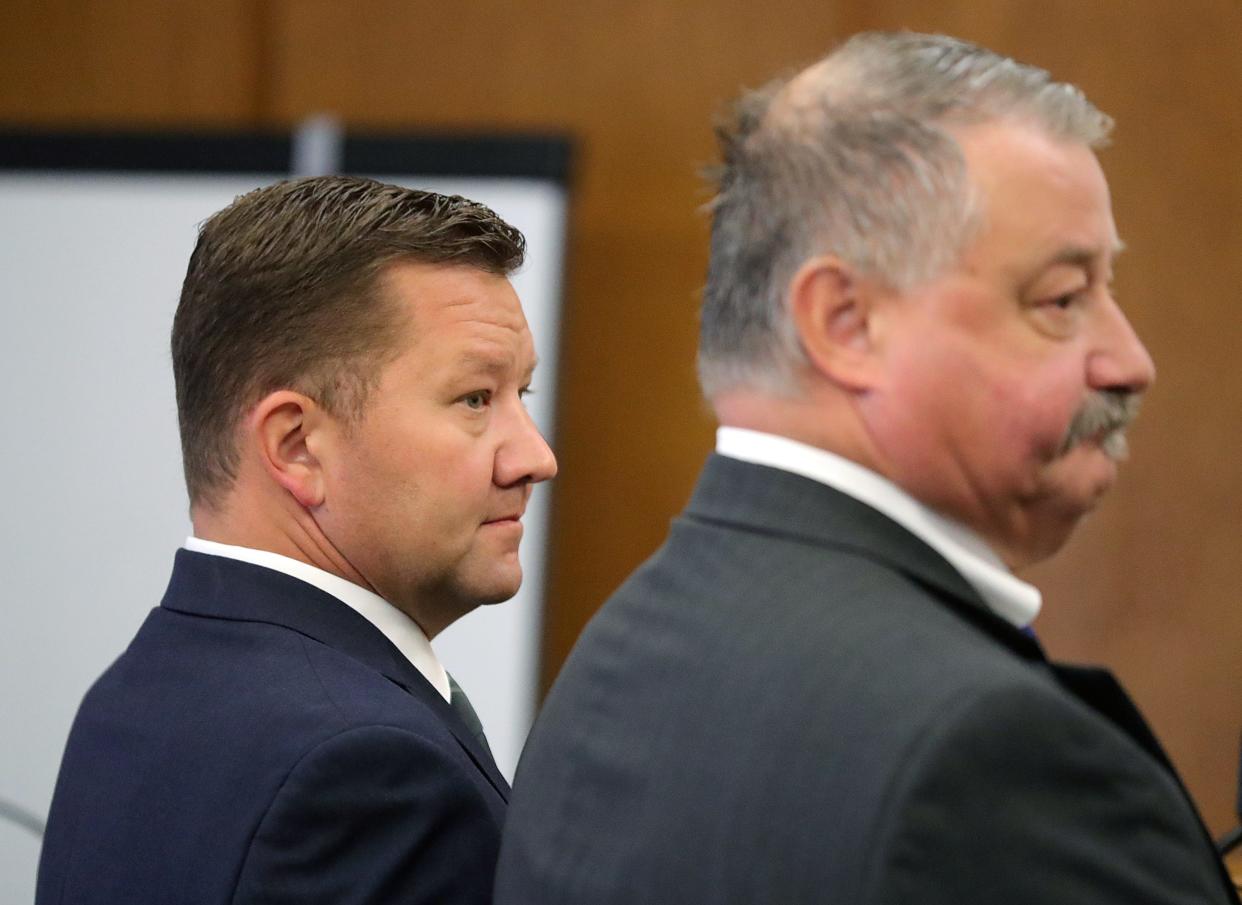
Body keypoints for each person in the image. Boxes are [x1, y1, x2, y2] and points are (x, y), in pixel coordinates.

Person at [494, 32, 1239, 905]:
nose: (1129, 359)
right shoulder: (989, 752)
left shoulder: (610, 663)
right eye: (1063, 299)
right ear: (844, 323)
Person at [37, 176, 557, 904]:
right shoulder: (366, 768)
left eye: (521, 395)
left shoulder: (125, 699)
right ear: (297, 445)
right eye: (475, 398)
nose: (536, 456)